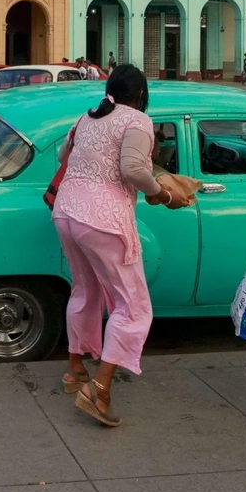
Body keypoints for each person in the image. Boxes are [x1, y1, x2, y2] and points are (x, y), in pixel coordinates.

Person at [53, 64, 195, 427]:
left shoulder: (88, 117)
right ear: (142, 96)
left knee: (84, 290)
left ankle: (75, 370)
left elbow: (61, 158)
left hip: (66, 211)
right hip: (102, 220)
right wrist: (162, 194)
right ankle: (99, 389)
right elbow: (132, 168)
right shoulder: (136, 120)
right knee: (133, 306)